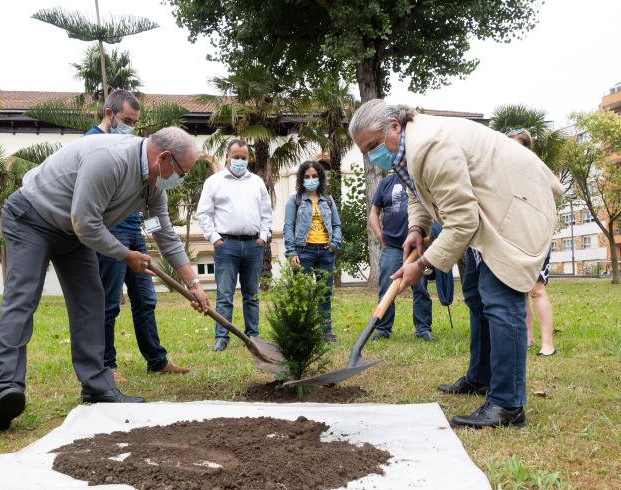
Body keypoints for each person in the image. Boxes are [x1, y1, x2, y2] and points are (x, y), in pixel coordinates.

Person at [349, 100, 563, 428]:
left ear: (394, 125)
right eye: (365, 150)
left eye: (373, 146)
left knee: (500, 298)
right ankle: (481, 377)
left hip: (517, 205)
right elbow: (418, 193)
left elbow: (462, 221)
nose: (371, 155)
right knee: (477, 295)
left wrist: (421, 266)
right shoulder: (406, 149)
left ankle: (508, 405)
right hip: (488, 208)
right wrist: (417, 229)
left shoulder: (430, 145)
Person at [0, 127, 209, 432]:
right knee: (22, 299)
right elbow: (86, 222)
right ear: (165, 158)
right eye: (182, 172)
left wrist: (193, 284)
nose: (180, 179)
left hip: (73, 233)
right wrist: (125, 255)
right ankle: (4, 389)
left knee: (92, 302)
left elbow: (164, 234)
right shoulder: (110, 159)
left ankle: (96, 386)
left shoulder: (152, 185)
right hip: (32, 218)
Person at [86, 90, 189, 379]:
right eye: (127, 120)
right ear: (109, 114)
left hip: (134, 231)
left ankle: (157, 360)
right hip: (109, 232)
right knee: (109, 301)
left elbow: (150, 204)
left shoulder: (132, 146)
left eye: (135, 122)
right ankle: (106, 365)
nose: (131, 127)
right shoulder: (92, 144)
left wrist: (151, 232)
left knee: (145, 298)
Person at [196, 138, 272, 352]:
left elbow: (266, 212)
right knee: (225, 294)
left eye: (243, 157)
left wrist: (263, 237)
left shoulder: (257, 182)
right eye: (236, 157)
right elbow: (204, 213)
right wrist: (214, 238)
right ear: (227, 157)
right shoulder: (214, 182)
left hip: (253, 245)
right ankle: (222, 337)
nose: (239, 160)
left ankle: (253, 336)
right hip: (226, 245)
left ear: (248, 159)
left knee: (252, 294)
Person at [507, 128, 556, 357]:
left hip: (537, 236)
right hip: (515, 236)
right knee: (521, 289)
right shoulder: (504, 175)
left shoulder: (539, 173)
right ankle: (527, 338)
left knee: (537, 289)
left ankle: (548, 344)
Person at [369, 173, 433, 341]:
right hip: (392, 247)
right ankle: (383, 329)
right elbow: (374, 212)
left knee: (420, 288)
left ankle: (423, 329)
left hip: (417, 248)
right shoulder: (386, 182)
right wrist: (379, 236)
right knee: (386, 288)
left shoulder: (419, 178)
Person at [283, 161, 342, 341]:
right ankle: (304, 332)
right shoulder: (295, 201)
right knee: (303, 294)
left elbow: (336, 225)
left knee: (324, 293)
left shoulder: (328, 200)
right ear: (301, 179)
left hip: (325, 252)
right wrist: (291, 252)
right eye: (307, 177)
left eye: (314, 176)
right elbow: (288, 226)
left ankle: (326, 333)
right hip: (304, 252)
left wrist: (334, 244)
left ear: (320, 178)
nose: (311, 180)